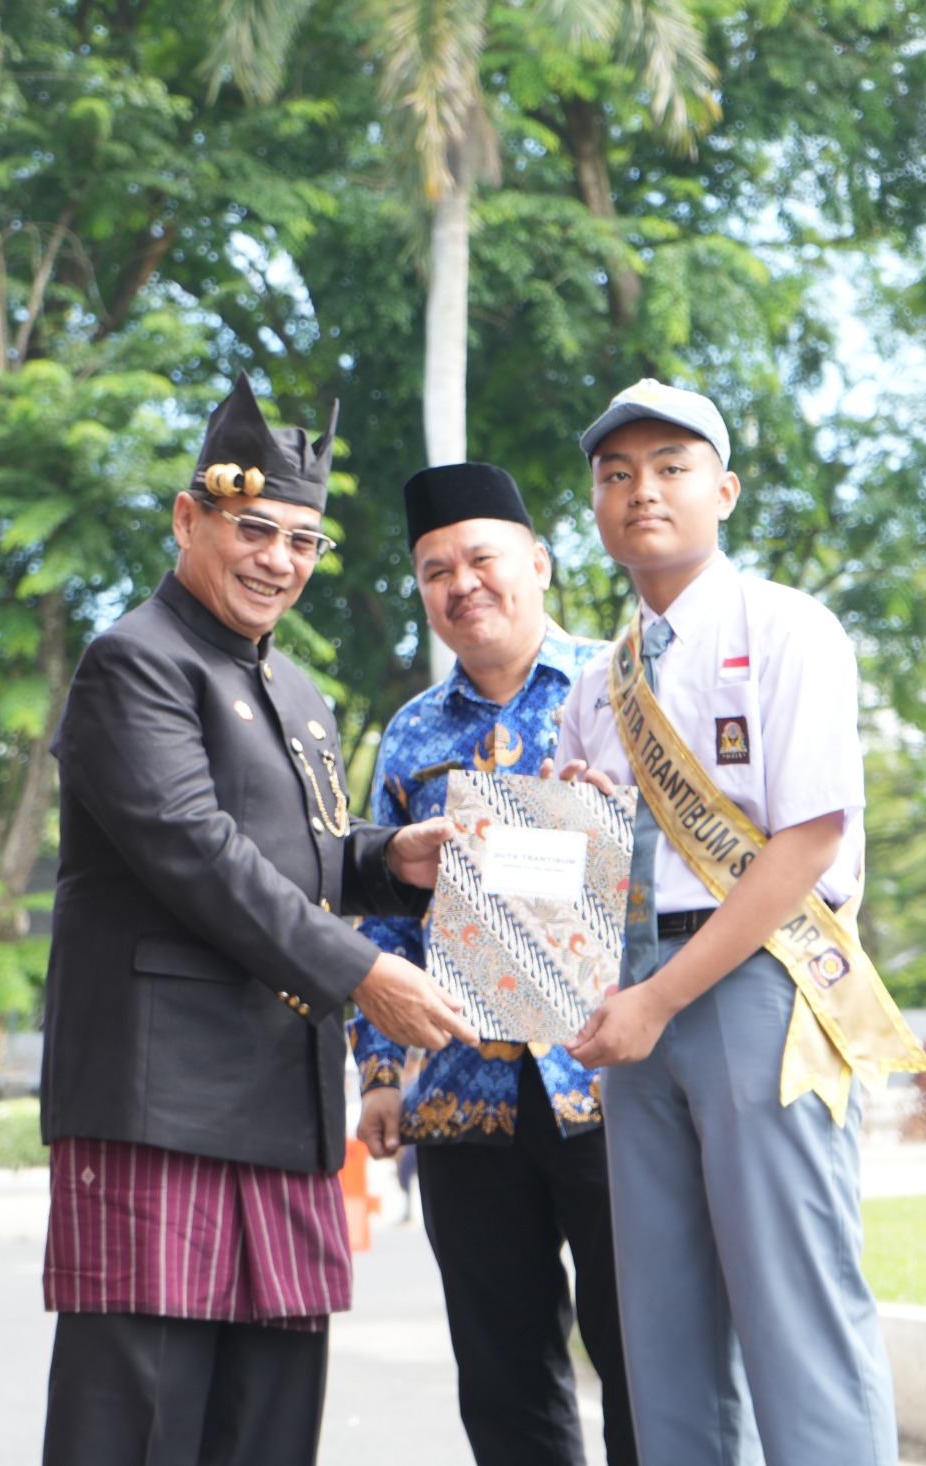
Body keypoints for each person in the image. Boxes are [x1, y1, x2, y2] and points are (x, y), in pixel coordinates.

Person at [38, 377, 471, 1466]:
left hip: (278, 1103)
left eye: (304, 540)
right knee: (136, 1422)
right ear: (190, 518)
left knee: (267, 1421)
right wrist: (363, 972)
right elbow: (196, 851)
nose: (279, 558)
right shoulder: (133, 661)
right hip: (156, 1100)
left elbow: (300, 850)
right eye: (255, 529)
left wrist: (390, 862)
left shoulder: (298, 690)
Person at [552, 379, 923, 1466]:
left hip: (758, 982)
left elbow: (807, 845)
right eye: (615, 474)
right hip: (633, 992)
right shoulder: (598, 682)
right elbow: (597, 867)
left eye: (669, 466)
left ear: (724, 487)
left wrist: (659, 998)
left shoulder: (787, 626)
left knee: (795, 1307)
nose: (641, 492)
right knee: (660, 1327)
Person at [351, 462, 634, 1466]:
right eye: (435, 569)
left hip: (608, 1082)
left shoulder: (620, 687)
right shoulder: (411, 732)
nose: (461, 582)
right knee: (505, 1381)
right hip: (461, 1095)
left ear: (539, 564)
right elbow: (381, 916)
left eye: (481, 558)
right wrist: (380, 1072)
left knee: (644, 1356)